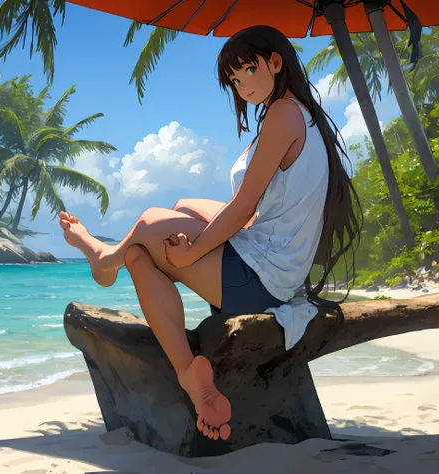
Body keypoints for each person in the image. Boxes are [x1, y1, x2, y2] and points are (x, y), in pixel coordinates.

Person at [58, 25, 363, 443]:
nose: (241, 88)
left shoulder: (282, 114)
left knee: (145, 230)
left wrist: (193, 252)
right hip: (276, 263)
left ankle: (112, 268)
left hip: (260, 282)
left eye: (247, 73)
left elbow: (243, 208)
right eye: (234, 82)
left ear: (275, 62)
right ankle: (116, 259)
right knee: (182, 205)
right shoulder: (301, 114)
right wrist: (200, 237)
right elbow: (259, 211)